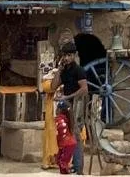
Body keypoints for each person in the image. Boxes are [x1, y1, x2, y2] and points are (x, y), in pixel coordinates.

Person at [53, 42, 88, 175]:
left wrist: (67, 97)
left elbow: (84, 90)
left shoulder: (78, 70)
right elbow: (53, 86)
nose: (66, 58)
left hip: (77, 105)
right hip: (67, 106)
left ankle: (78, 168)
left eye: (69, 55)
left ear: (74, 55)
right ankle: (71, 164)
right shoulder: (65, 70)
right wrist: (59, 70)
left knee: (76, 136)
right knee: (67, 136)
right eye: (64, 55)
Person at [55, 101, 78, 174]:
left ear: (59, 110)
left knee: (62, 163)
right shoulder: (68, 119)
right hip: (69, 143)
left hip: (66, 144)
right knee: (61, 161)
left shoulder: (60, 120)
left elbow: (61, 132)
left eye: (57, 108)